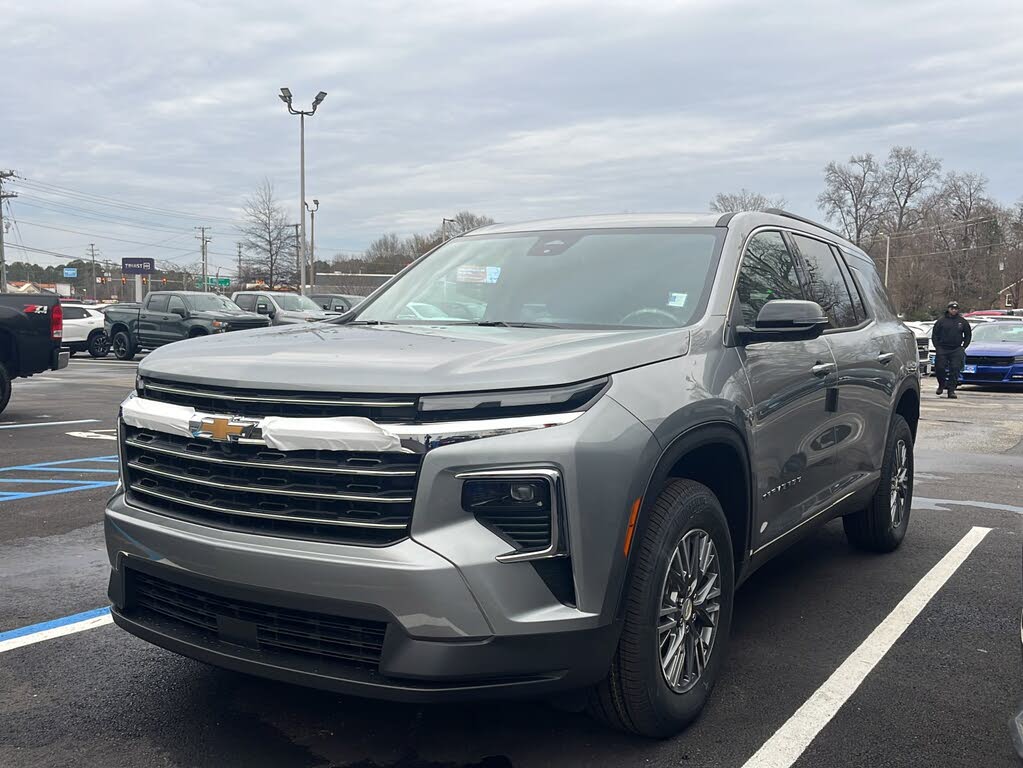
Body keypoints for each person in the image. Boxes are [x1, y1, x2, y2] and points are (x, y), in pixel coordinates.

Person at [931, 301, 972, 398]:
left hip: (956, 349)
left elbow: (968, 335)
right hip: (943, 348)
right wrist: (937, 347)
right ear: (948, 309)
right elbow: (935, 334)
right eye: (952, 309)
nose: (953, 310)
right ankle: (941, 384)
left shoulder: (962, 321)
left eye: (955, 309)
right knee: (940, 368)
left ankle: (951, 390)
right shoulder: (941, 321)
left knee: (955, 369)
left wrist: (964, 346)